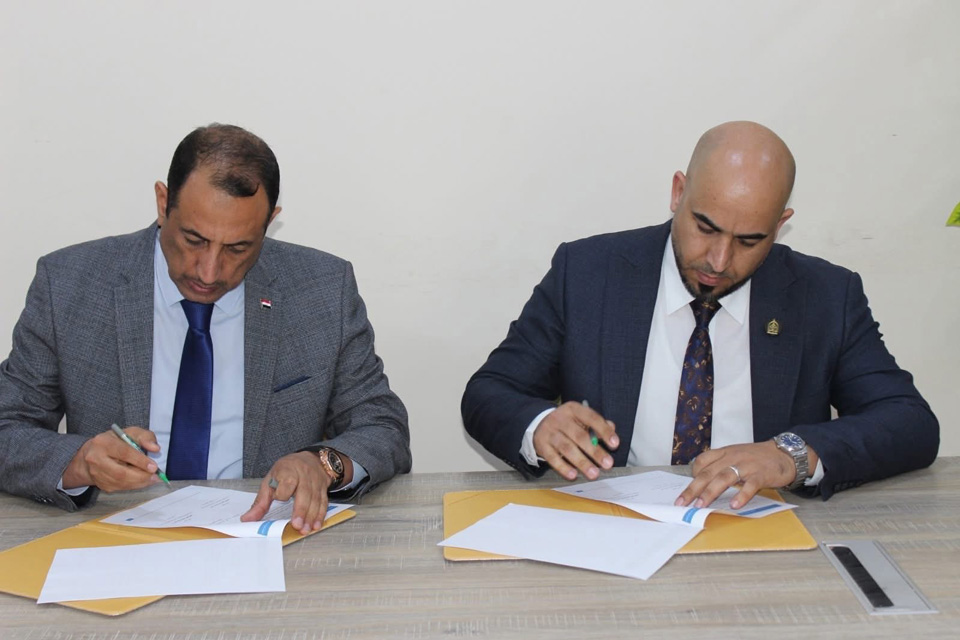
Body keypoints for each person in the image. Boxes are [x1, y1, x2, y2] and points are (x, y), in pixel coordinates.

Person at [462, 120, 938, 509]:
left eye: (750, 240)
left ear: (780, 226)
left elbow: (909, 422)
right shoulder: (587, 273)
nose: (719, 260)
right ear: (678, 193)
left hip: (762, 537)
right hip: (615, 527)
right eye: (706, 227)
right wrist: (540, 425)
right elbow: (490, 391)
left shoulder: (826, 295)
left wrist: (792, 455)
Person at [0, 124, 411, 532]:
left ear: (270, 222)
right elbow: (7, 424)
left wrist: (321, 464)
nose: (209, 272)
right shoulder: (70, 284)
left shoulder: (322, 290)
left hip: (264, 535)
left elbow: (382, 425)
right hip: (113, 534)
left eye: (238, 248)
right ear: (163, 203)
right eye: (194, 240)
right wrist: (78, 461)